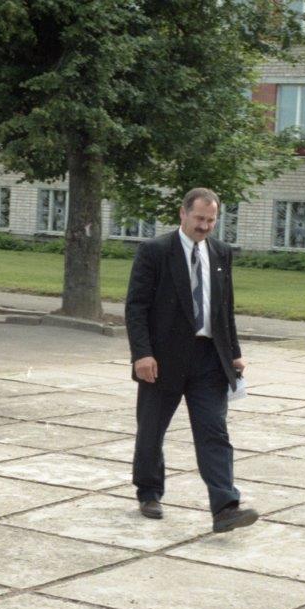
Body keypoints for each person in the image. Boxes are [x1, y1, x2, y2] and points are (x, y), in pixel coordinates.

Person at [125, 187, 258, 533]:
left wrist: (234, 353)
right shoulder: (155, 251)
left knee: (214, 431)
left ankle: (225, 507)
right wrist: (142, 354)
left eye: (211, 220)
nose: (205, 226)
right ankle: (149, 493)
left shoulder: (221, 253)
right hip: (162, 360)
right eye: (199, 218)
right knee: (152, 431)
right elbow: (136, 307)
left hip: (209, 359)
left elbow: (224, 308)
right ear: (183, 214)